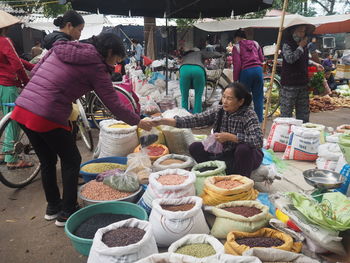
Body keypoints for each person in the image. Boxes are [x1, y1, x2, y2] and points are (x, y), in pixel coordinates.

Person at [11, 33, 153, 227]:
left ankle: (53, 207)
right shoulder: (96, 67)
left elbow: (35, 73)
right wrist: (137, 121)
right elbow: (113, 103)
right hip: (47, 113)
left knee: (48, 160)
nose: (115, 64)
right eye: (116, 59)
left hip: (23, 108)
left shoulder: (61, 49)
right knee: (72, 160)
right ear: (109, 52)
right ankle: (67, 211)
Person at [152, 83, 263, 177]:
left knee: (243, 149)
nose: (224, 101)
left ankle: (242, 182)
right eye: (223, 97)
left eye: (229, 98)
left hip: (245, 157)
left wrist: (232, 138)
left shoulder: (248, 114)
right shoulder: (219, 111)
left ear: (240, 101)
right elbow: (195, 119)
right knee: (195, 147)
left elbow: (258, 141)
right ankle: (218, 173)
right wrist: (163, 121)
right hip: (224, 154)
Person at [0, 10, 35, 169]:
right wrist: (26, 82)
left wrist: (33, 66)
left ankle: (4, 152)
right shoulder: (4, 41)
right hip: (8, 84)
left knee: (6, 119)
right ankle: (12, 159)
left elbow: (16, 60)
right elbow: (16, 64)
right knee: (14, 120)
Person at [280, 25, 323, 123]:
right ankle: (286, 135)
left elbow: (304, 59)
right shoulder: (287, 44)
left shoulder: (305, 45)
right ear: (292, 32)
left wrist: (315, 64)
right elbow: (290, 59)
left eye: (303, 31)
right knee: (286, 115)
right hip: (289, 84)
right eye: (299, 31)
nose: (301, 34)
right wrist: (300, 47)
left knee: (303, 114)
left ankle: (303, 134)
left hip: (302, 83)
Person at [232, 28, 264, 122]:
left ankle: (244, 119)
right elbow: (261, 59)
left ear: (237, 37)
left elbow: (237, 65)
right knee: (258, 97)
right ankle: (258, 121)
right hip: (258, 70)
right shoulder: (255, 44)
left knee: (243, 97)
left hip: (246, 72)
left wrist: (235, 79)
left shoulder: (237, 47)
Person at [180, 48, 222, 113]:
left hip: (184, 69)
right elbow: (214, 54)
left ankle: (183, 115)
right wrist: (220, 54)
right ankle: (197, 117)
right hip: (198, 69)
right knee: (198, 96)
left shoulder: (186, 55)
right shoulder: (200, 53)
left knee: (184, 96)